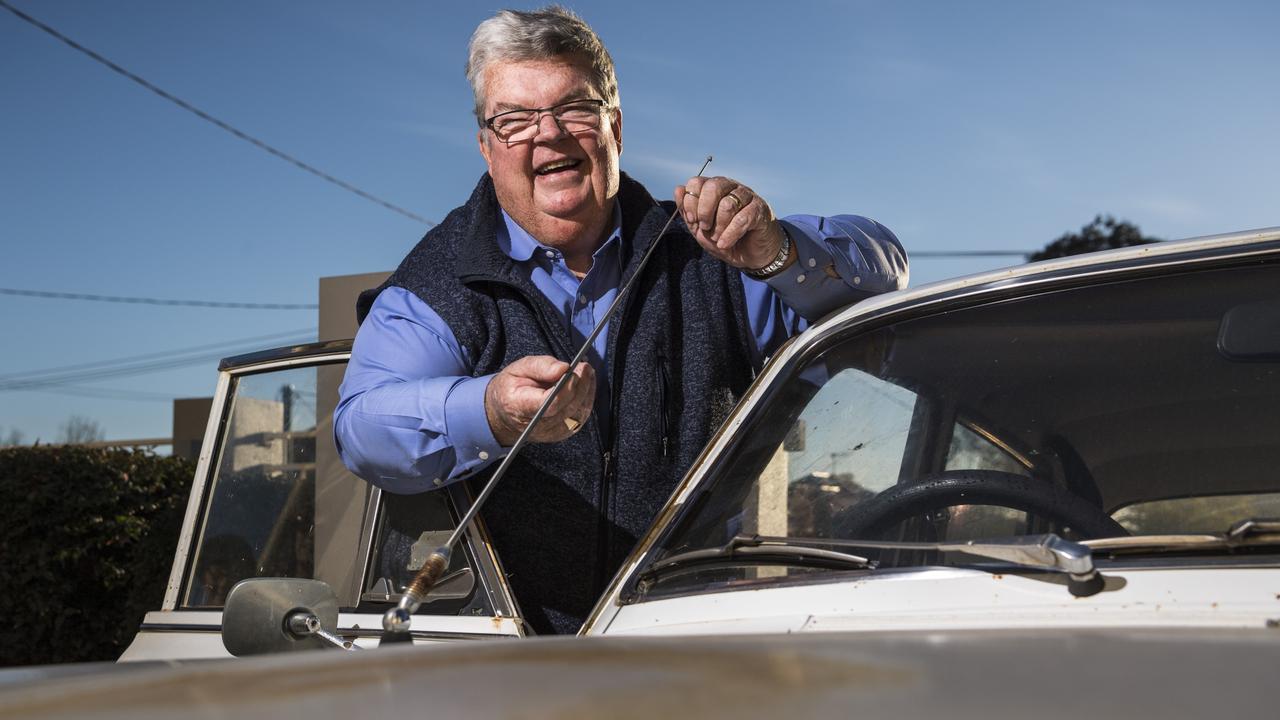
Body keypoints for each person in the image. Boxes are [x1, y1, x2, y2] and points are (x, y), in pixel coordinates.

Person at [335, 5, 907, 635]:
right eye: (515, 119)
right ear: (486, 146)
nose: (548, 134)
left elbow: (883, 272)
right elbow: (362, 430)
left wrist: (777, 252)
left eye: (573, 108)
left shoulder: (713, 254)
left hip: (686, 642)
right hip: (490, 656)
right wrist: (490, 412)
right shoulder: (439, 281)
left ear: (615, 125)